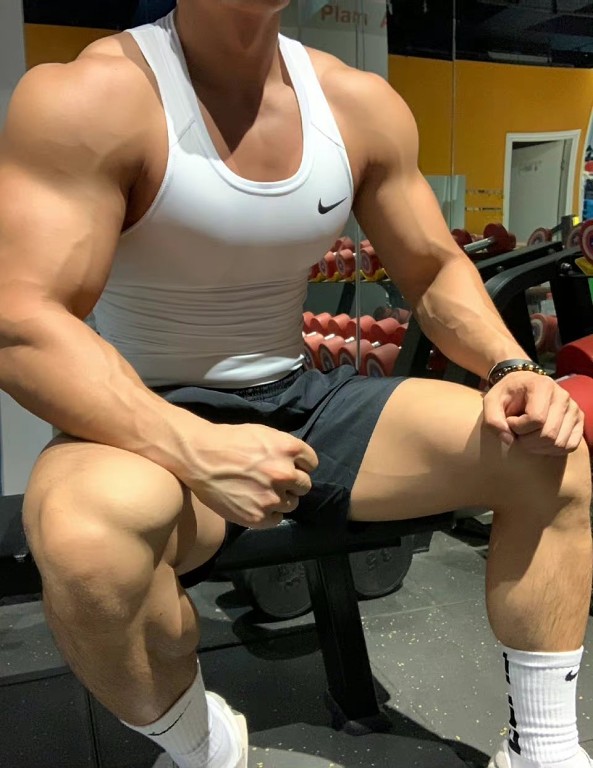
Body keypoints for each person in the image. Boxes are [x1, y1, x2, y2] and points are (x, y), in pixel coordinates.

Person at [0, 1, 591, 767]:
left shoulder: (355, 103)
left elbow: (432, 267)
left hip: (299, 396)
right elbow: (21, 320)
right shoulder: (93, 97)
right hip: (144, 410)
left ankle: (543, 750)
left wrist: (512, 367)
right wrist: (192, 447)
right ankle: (202, 746)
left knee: (547, 451)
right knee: (86, 548)